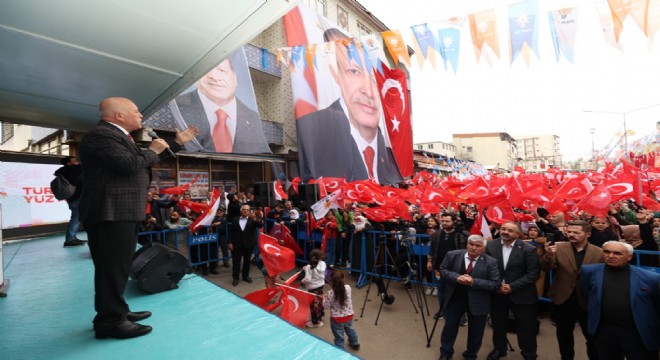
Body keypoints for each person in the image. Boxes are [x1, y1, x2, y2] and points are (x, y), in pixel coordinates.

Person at [79, 97, 198, 340]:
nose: (141, 115)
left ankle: (117, 311)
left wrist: (175, 144)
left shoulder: (118, 136)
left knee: (120, 266)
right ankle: (110, 322)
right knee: (111, 268)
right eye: (136, 110)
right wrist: (154, 150)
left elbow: (142, 162)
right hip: (111, 211)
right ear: (119, 115)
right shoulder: (101, 135)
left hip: (122, 210)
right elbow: (128, 164)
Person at [296, 28, 402, 184]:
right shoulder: (312, 129)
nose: (369, 92)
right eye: (354, 71)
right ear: (335, 72)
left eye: (375, 80)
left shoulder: (393, 147)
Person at [168, 58, 270, 154]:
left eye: (221, 70)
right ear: (196, 80)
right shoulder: (177, 106)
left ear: (235, 78)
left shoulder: (252, 117)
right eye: (206, 71)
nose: (215, 78)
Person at [581, 241, 660, 360]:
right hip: (604, 331)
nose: (611, 256)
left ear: (629, 257)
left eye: (617, 253)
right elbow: (588, 295)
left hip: (637, 333)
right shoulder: (589, 272)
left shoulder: (651, 278)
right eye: (607, 252)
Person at [541, 220, 604, 360]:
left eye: (576, 232)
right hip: (563, 300)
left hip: (587, 302)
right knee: (564, 335)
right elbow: (546, 268)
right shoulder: (558, 248)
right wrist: (548, 256)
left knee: (592, 337)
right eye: (569, 232)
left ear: (587, 234)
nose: (571, 234)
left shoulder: (599, 252)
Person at [438, 235, 501, 360]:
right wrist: (456, 277)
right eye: (471, 244)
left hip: (478, 302)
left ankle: (470, 355)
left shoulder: (491, 262)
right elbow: (443, 270)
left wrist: (473, 282)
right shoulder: (452, 255)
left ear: (483, 248)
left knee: (476, 333)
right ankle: (446, 353)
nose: (474, 248)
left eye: (478, 245)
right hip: (454, 299)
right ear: (467, 244)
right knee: (449, 329)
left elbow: (495, 284)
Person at [485, 221, 540, 360]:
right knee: (498, 324)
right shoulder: (490, 245)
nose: (505, 232)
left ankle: (529, 353)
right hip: (497, 293)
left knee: (526, 327)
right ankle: (499, 349)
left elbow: (533, 274)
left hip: (522, 294)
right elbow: (485, 267)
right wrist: (496, 285)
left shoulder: (528, 249)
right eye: (503, 229)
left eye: (510, 230)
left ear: (517, 234)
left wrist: (512, 287)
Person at [322, 270, 360, 350]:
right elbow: (341, 294)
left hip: (337, 319)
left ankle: (340, 352)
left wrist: (324, 299)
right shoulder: (348, 288)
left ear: (332, 281)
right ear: (343, 278)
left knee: (339, 336)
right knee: (350, 329)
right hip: (349, 315)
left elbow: (326, 306)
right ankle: (355, 343)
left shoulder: (330, 293)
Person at [228, 204, 263, 286]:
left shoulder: (252, 219)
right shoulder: (235, 219)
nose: (246, 211)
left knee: (247, 261)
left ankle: (245, 276)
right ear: (241, 211)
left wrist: (254, 219)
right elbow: (231, 232)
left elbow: (260, 225)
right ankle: (235, 278)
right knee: (236, 262)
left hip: (248, 244)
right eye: (244, 209)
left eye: (247, 209)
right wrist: (229, 242)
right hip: (236, 244)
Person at [54, 156, 85, 247]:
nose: (78, 162)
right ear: (68, 163)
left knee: (76, 218)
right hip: (77, 197)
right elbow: (78, 181)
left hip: (72, 198)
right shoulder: (73, 170)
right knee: (76, 218)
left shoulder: (63, 171)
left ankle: (72, 237)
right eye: (75, 161)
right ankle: (70, 239)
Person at [302, 248, 327, 328]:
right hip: (321, 285)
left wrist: (302, 281)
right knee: (320, 301)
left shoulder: (309, 267)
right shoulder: (323, 263)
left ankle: (316, 322)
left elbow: (308, 279)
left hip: (312, 288)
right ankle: (321, 315)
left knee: (313, 305)